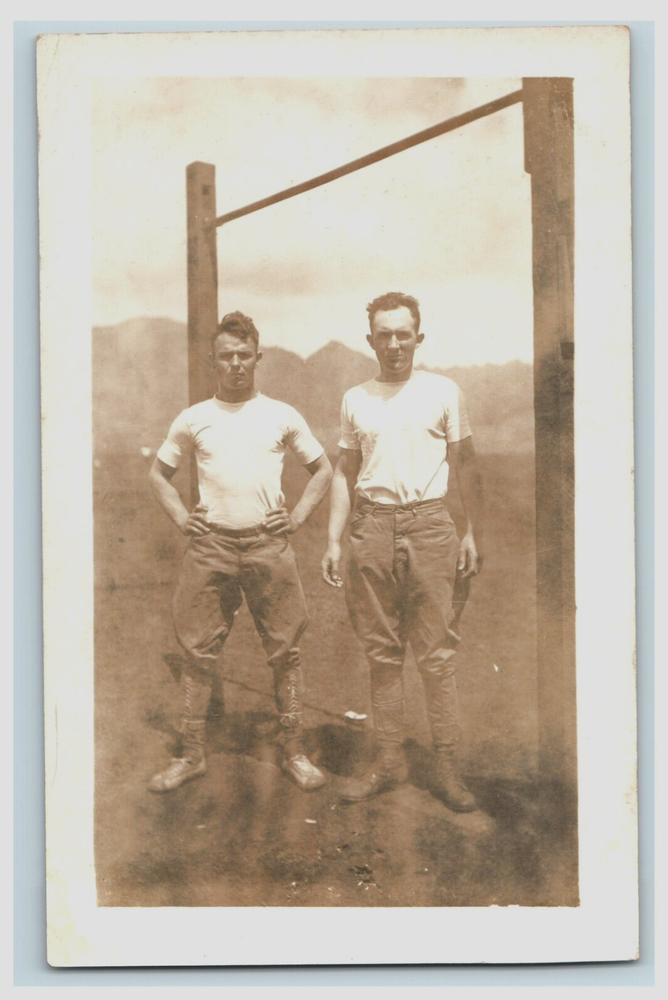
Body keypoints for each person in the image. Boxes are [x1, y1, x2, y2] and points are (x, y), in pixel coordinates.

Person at [148, 311, 332, 793]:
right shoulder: (194, 418)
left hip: (269, 546)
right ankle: (190, 755)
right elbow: (158, 475)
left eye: (243, 355)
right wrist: (183, 517)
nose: (235, 364)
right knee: (196, 651)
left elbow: (323, 470)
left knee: (286, 650)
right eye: (226, 356)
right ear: (214, 361)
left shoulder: (281, 414)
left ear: (258, 358)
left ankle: (293, 751)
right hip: (210, 547)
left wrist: (295, 518)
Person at [321, 292, 484, 810]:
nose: (394, 344)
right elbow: (344, 474)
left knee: (436, 658)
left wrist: (472, 531)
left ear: (419, 335)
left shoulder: (443, 391)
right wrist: (332, 539)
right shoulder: (356, 398)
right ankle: (388, 762)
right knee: (383, 656)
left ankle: (448, 769)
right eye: (384, 334)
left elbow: (468, 466)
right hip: (371, 529)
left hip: (432, 527)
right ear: (370, 340)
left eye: (403, 333)